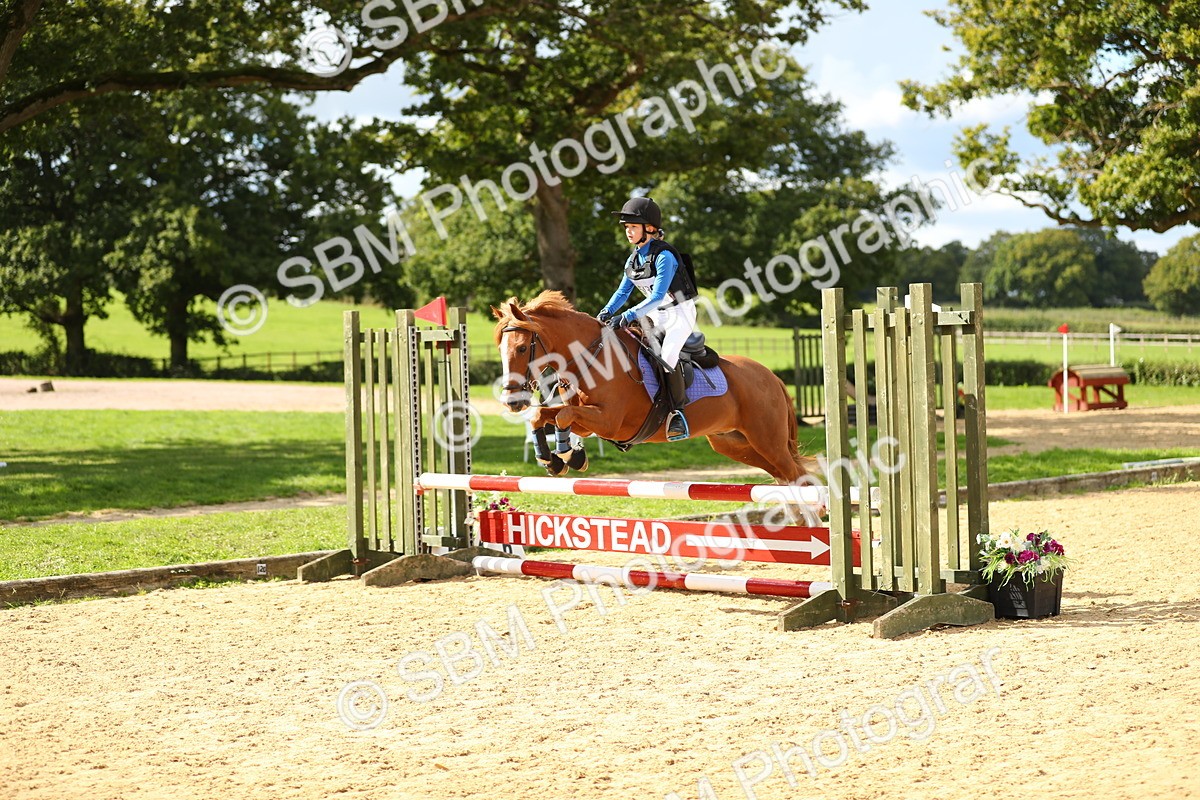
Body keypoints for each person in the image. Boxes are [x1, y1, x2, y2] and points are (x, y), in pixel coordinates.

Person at [598, 196, 699, 441]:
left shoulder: (664, 256)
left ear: (649, 228)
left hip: (679, 313)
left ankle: (677, 413)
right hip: (654, 313)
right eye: (626, 227)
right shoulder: (633, 259)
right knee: (631, 348)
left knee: (666, 358)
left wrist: (628, 315)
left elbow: (656, 297)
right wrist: (606, 311)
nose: (628, 232)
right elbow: (623, 292)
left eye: (633, 227)